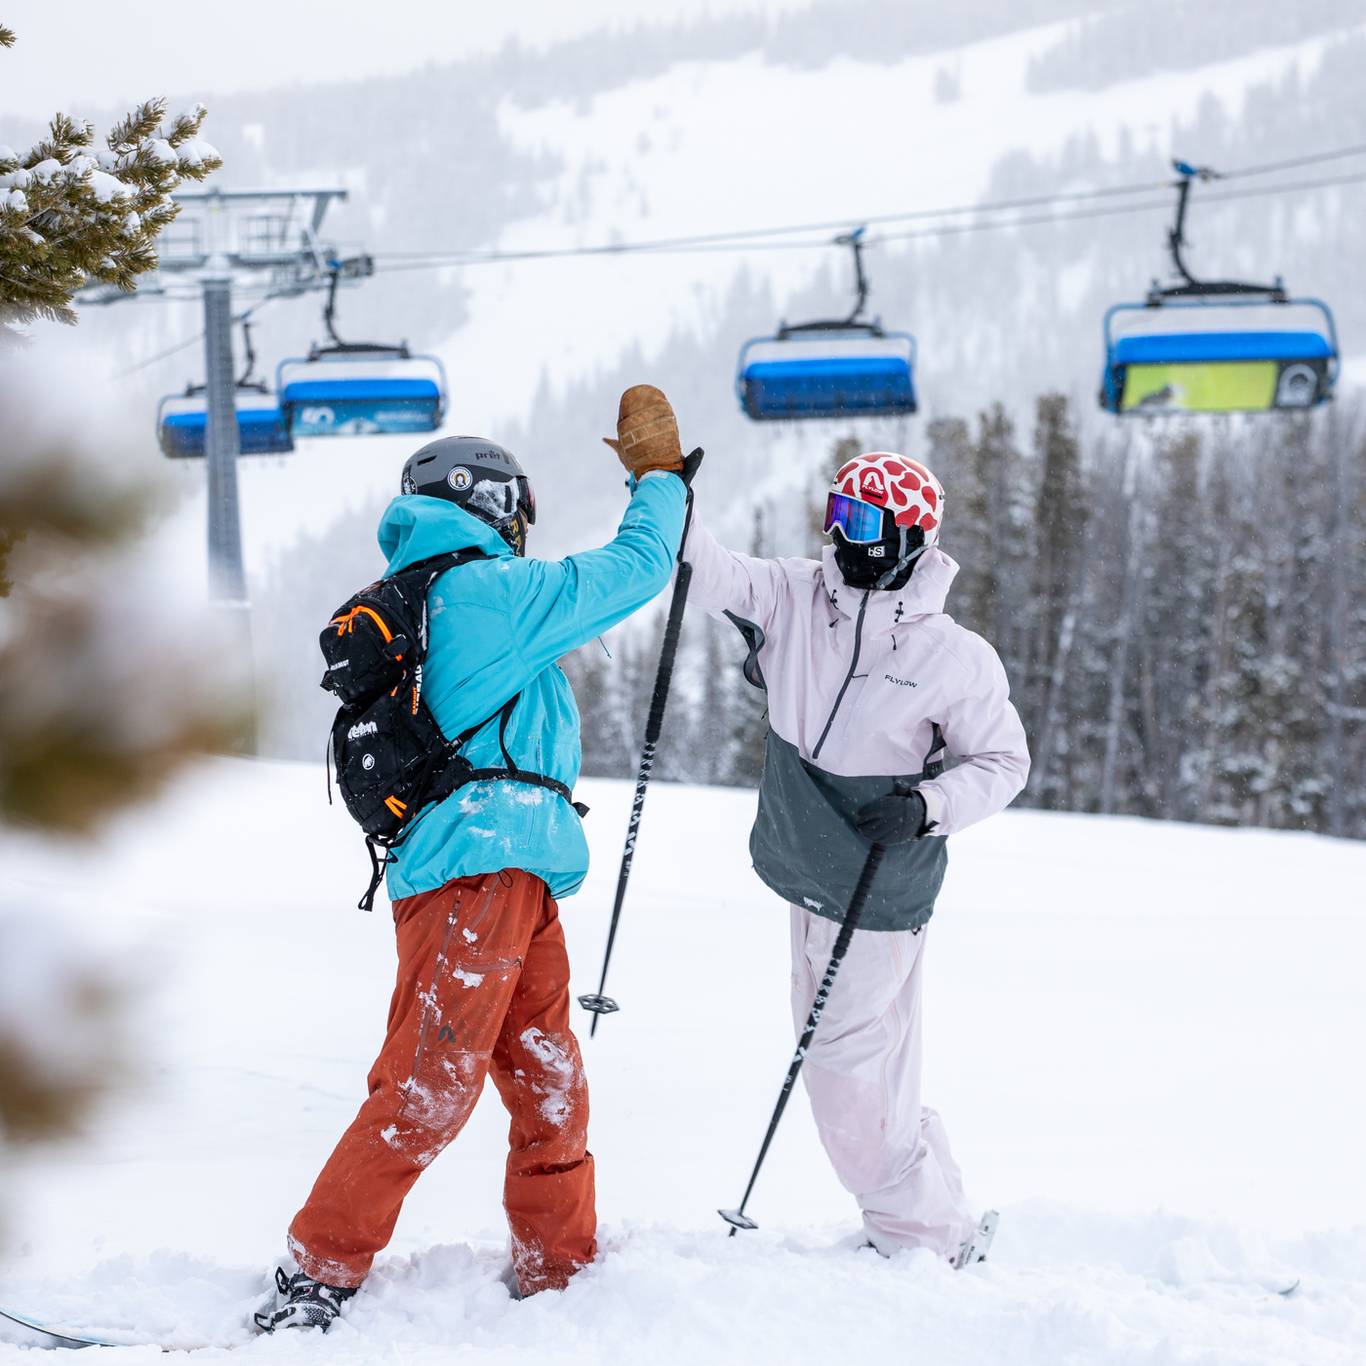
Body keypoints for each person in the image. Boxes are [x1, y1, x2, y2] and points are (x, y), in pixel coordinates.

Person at [258, 389, 692, 1332]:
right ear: (491, 502)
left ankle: (561, 1264)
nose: (525, 527)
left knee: (546, 1074)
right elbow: (635, 567)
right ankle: (318, 1271)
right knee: (430, 1080)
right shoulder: (481, 592)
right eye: (519, 508)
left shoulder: (463, 596)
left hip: (514, 871)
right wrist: (658, 483)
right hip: (474, 869)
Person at [685, 444, 1030, 1265]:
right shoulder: (800, 596)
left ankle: (925, 1238)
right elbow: (706, 571)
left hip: (879, 886)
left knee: (838, 1066)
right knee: (872, 1054)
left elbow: (1003, 763)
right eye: (837, 512)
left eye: (864, 520)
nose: (844, 534)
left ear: (910, 534)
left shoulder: (954, 656)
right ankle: (929, 1199)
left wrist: (925, 806)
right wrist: (666, 490)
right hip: (806, 866)